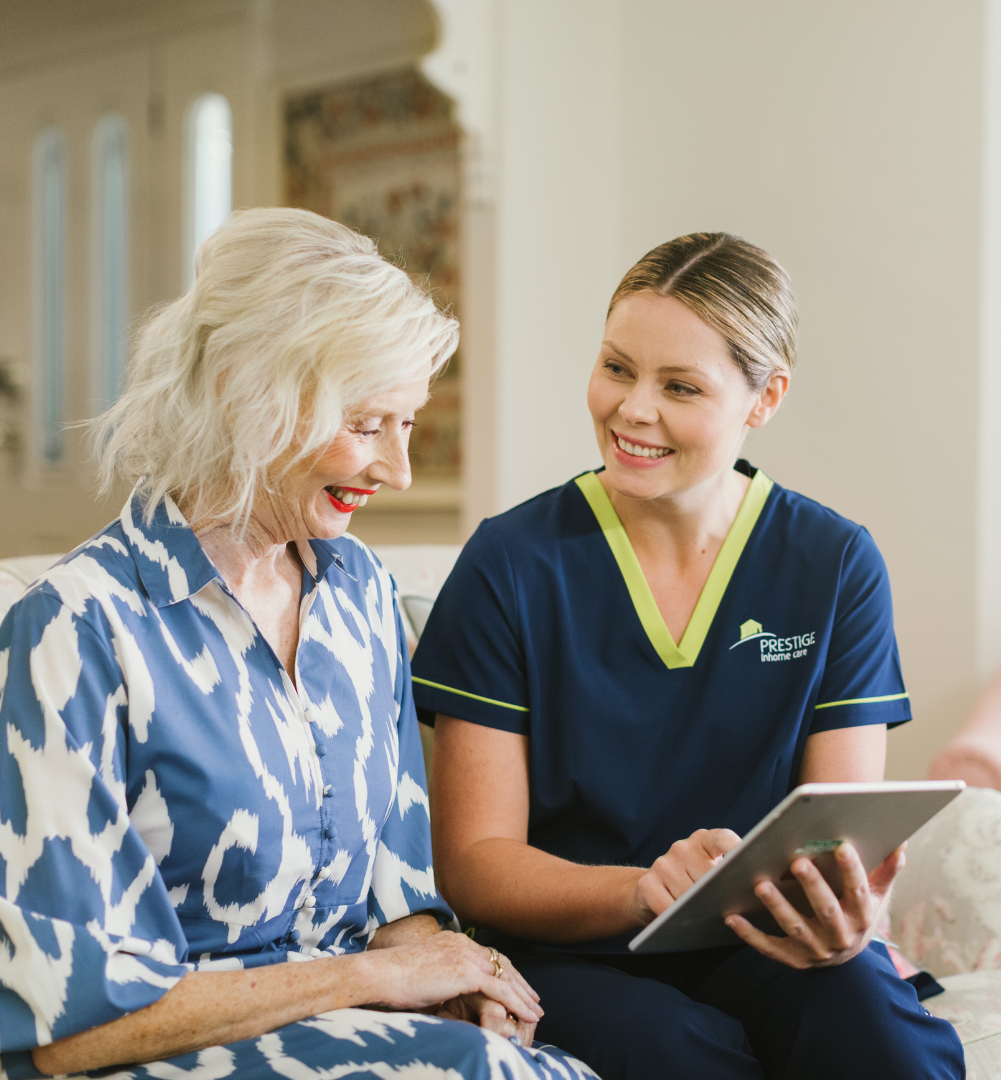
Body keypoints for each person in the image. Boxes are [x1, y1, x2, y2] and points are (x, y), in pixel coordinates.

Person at [0, 208, 597, 1080]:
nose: (397, 471)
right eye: (366, 424)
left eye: (406, 425)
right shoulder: (78, 628)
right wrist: (372, 978)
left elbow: (398, 895)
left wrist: (454, 982)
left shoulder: (359, 594)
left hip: (325, 1031)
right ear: (247, 394)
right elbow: (63, 1024)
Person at [411, 233, 966, 1080]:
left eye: (680, 386)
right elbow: (475, 864)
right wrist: (641, 890)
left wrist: (846, 914)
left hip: (762, 941)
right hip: (573, 953)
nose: (633, 410)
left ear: (765, 397)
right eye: (616, 368)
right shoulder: (510, 564)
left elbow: (839, 832)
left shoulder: (834, 563)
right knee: (670, 1050)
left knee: (875, 1029)